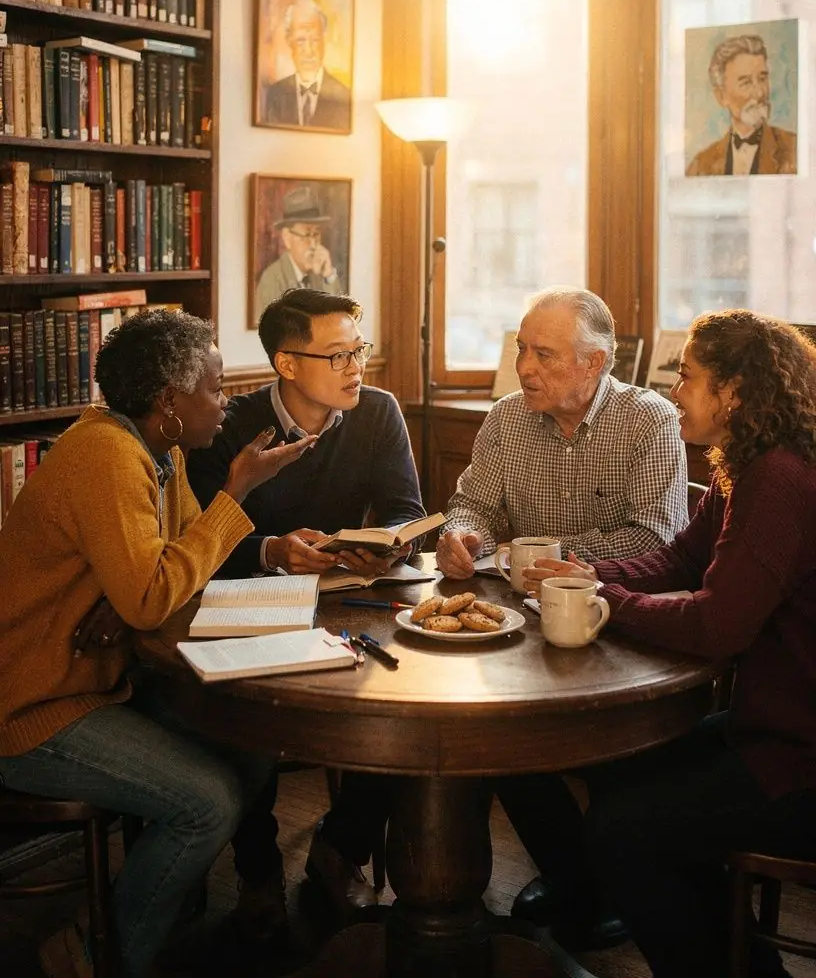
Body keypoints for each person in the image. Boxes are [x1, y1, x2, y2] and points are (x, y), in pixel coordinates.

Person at [0, 309, 314, 978]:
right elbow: (154, 594)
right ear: (170, 401)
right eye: (215, 388)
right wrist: (237, 490)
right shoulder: (107, 455)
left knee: (252, 747)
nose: (225, 402)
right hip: (32, 708)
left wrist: (131, 601)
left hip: (100, 683)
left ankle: (163, 907)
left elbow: (177, 576)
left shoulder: (160, 451)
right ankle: (93, 958)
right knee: (207, 804)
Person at [508, 309, 816, 978]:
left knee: (622, 831)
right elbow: (680, 560)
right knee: (616, 764)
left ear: (735, 391)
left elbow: (718, 626)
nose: (675, 389)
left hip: (799, 756)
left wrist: (605, 601)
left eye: (690, 376)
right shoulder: (747, 465)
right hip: (769, 727)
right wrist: (587, 572)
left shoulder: (779, 479)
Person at [186, 289, 425, 925]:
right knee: (253, 718)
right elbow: (196, 536)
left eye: (359, 351)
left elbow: (404, 508)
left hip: (350, 601)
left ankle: (339, 849)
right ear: (287, 364)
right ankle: (258, 871)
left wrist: (387, 543)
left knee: (405, 707)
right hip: (251, 603)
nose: (356, 368)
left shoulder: (377, 411)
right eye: (338, 356)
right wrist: (271, 550)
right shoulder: (227, 424)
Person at [436, 286, 688, 582]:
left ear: (593, 362)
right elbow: (474, 506)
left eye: (544, 355)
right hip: (526, 595)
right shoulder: (506, 416)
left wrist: (540, 551)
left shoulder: (648, 419)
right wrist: (463, 535)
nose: (523, 368)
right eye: (521, 349)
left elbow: (653, 539)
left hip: (618, 598)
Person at [686, 32, 797, 177]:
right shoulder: (700, 166)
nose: (759, 93)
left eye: (762, 79)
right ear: (721, 96)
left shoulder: (795, 150)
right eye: (746, 83)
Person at [261, 0, 351, 131]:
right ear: (289, 41)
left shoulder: (343, 96)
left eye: (315, 40)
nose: (308, 51)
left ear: (324, 41)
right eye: (300, 40)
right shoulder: (275, 94)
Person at [254, 185, 343, 320]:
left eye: (316, 233)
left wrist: (329, 275)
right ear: (287, 238)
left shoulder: (320, 275)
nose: (313, 244)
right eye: (306, 234)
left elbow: (339, 319)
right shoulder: (271, 280)